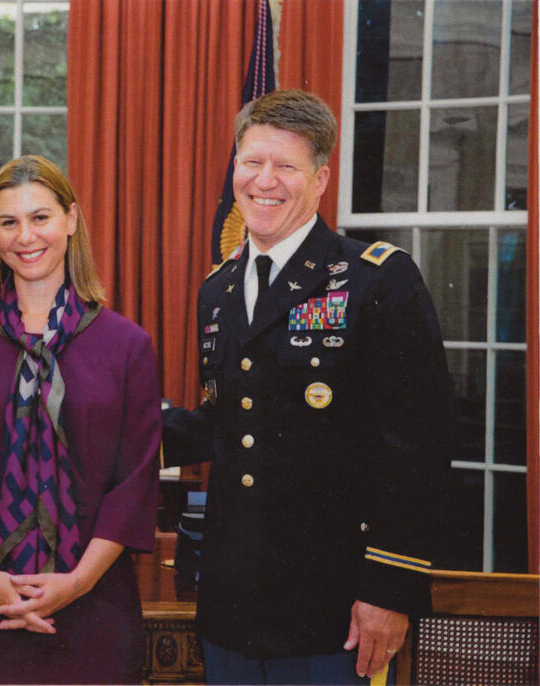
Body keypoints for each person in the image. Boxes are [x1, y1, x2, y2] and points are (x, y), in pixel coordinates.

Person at [162, 89, 453, 685]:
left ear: (321, 178)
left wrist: (390, 590)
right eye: (251, 162)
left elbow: (417, 450)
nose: (263, 181)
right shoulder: (216, 291)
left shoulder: (377, 280)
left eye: (286, 166)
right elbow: (228, 422)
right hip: (231, 602)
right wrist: (102, 424)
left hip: (334, 609)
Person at [0, 155, 162, 684]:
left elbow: (134, 482)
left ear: (71, 220)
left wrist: (74, 583)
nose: (25, 236)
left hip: (91, 609)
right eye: (9, 222)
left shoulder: (128, 346)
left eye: (40, 217)